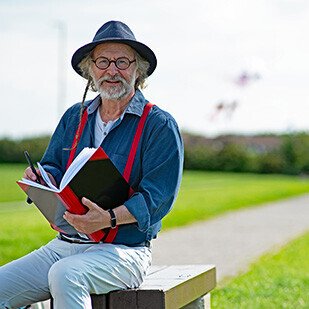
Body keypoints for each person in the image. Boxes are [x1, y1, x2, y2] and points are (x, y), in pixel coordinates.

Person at [0, 20, 183, 309]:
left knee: (65, 275)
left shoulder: (159, 125)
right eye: (102, 61)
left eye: (122, 61)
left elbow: (157, 199)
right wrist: (42, 177)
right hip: (66, 244)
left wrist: (108, 218)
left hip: (124, 251)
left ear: (138, 70)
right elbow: (55, 167)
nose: (112, 70)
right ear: (90, 70)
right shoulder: (75, 116)